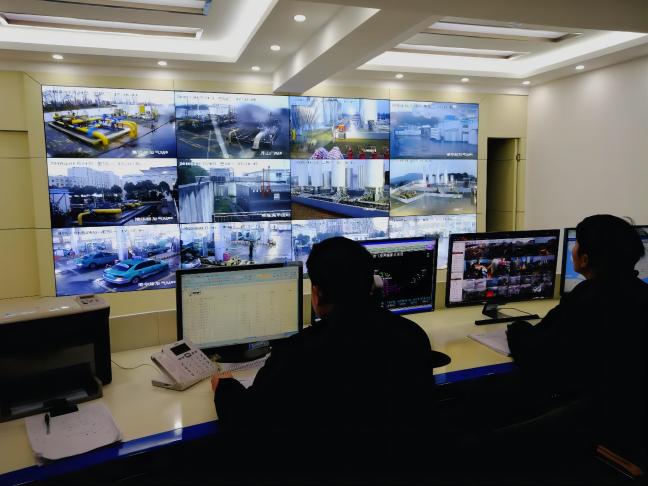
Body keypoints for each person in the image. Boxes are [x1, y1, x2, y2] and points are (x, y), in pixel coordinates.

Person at [210, 237, 446, 480]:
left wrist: (224, 386)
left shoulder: (297, 352)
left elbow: (248, 423)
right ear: (372, 285)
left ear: (316, 294)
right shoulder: (412, 335)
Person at [505, 215, 648, 465]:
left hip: (594, 424)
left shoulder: (589, 297)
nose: (573, 248)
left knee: (475, 441)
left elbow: (537, 355)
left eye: (577, 243)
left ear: (584, 259)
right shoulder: (639, 293)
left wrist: (516, 328)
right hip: (631, 421)